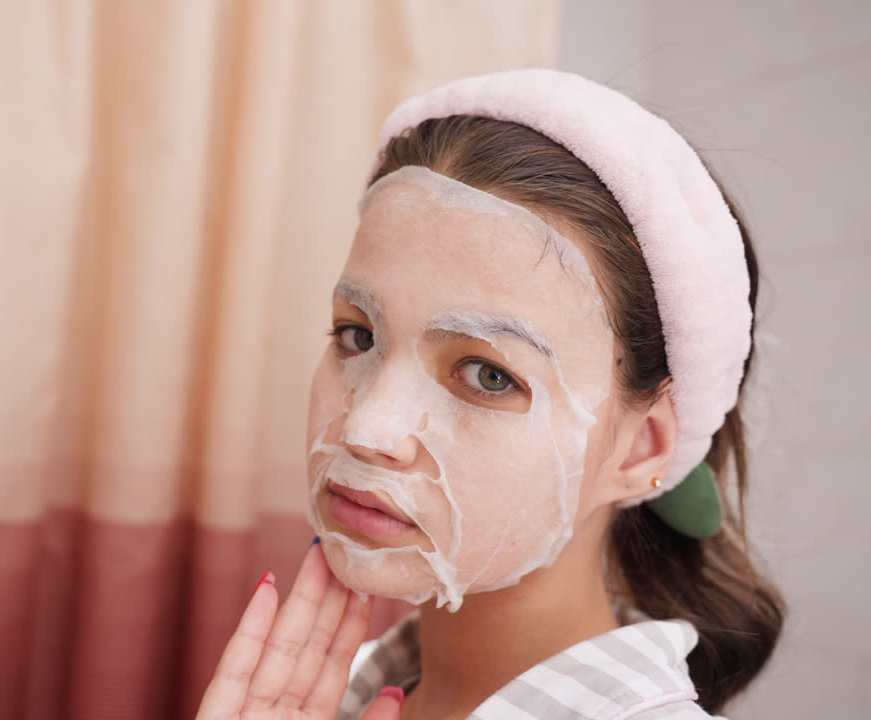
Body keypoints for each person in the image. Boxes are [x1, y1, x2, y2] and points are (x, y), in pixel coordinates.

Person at [195, 69, 784, 720]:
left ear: (642, 448)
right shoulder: (338, 695)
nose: (367, 427)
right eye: (357, 336)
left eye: (488, 375)